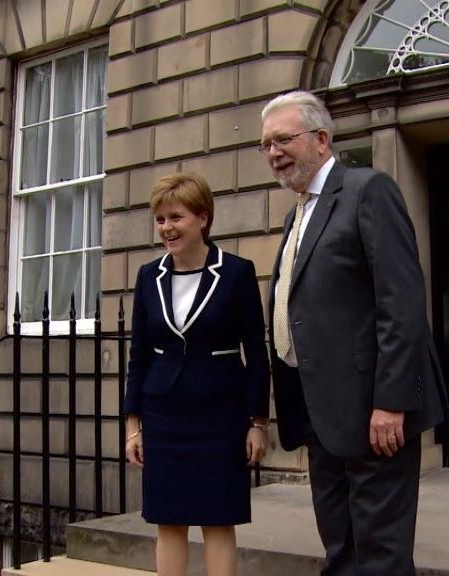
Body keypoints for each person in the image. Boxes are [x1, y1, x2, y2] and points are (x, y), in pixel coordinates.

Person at [261, 91, 448, 576]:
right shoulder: (296, 213)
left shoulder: (369, 190)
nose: (273, 152)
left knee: (380, 554)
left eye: (283, 139)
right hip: (321, 412)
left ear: (321, 140)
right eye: (265, 144)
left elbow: (401, 302)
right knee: (340, 548)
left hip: (373, 412)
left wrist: (391, 401)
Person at [123, 173, 270, 576]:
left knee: (218, 519)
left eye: (176, 217)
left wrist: (258, 422)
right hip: (164, 416)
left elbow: (256, 354)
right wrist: (133, 426)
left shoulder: (237, 272)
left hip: (220, 415)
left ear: (202, 218)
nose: (167, 228)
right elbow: (138, 355)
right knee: (168, 520)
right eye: (160, 220)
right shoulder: (148, 276)